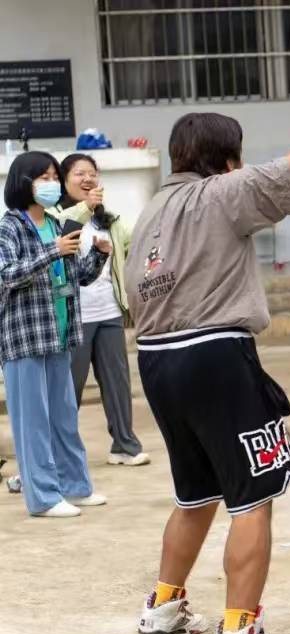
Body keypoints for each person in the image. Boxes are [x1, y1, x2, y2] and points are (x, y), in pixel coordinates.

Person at [129, 81, 290, 634]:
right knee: (253, 497)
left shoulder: (150, 212)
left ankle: (164, 607)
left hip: (156, 359)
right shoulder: (223, 193)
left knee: (195, 493)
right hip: (216, 355)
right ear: (226, 159)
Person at [0, 151, 111, 518]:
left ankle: (75, 487)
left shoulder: (54, 221)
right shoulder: (10, 226)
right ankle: (44, 497)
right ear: (23, 182)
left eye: (52, 176)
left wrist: (97, 256)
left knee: (64, 417)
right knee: (32, 422)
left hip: (59, 334)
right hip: (25, 338)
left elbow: (75, 276)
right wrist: (52, 252)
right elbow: (7, 274)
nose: (50, 183)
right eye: (42, 177)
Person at [53, 153, 150, 467]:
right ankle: (59, 453)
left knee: (117, 382)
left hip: (108, 311)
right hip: (74, 316)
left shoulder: (110, 221)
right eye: (79, 173)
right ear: (64, 181)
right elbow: (64, 234)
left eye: (92, 173)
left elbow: (133, 247)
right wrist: (85, 207)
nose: (87, 179)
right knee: (70, 387)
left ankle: (124, 445)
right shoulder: (57, 217)